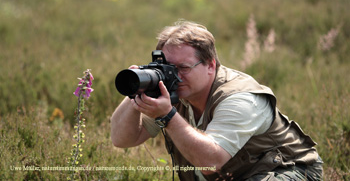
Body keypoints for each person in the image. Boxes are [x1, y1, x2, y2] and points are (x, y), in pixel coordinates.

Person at [110, 20, 323, 181]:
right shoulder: (171, 92)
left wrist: (167, 116)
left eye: (183, 68)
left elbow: (210, 163)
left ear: (210, 65)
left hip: (289, 170)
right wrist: (139, 90)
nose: (174, 76)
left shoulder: (239, 98)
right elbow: (123, 139)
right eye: (167, 69)